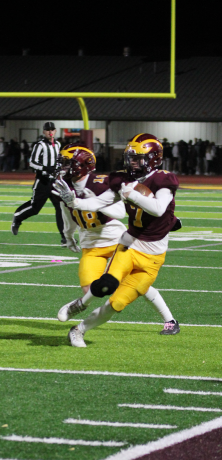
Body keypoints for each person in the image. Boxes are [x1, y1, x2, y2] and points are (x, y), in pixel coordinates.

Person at [53, 133, 181, 347]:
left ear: (153, 159)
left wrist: (132, 194)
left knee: (117, 303)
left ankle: (79, 329)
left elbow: (158, 209)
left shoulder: (163, 179)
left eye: (137, 157)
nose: (131, 162)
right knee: (108, 283)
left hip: (154, 257)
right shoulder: (123, 180)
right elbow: (97, 203)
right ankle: (78, 305)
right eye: (130, 157)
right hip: (130, 243)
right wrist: (74, 202)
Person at [12, 121, 65, 244]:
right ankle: (18, 218)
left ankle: (64, 237)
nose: (50, 132)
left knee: (60, 208)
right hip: (43, 181)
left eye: (52, 130)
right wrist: (45, 168)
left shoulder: (57, 144)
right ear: (44, 132)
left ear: (55, 131)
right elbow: (32, 163)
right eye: (48, 130)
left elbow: (57, 160)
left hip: (54, 182)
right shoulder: (40, 145)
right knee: (35, 208)